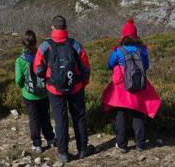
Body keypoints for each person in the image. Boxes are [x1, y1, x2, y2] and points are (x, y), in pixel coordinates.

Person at [33, 16, 94, 162]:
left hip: (54, 90)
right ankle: (82, 149)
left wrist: (48, 78)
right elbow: (85, 66)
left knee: (60, 120)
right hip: (76, 87)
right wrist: (83, 82)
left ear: (53, 28)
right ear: (66, 28)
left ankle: (64, 153)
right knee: (79, 117)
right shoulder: (75, 44)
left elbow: (37, 68)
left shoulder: (45, 46)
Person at [102, 19, 161, 153]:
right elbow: (146, 66)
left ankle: (122, 144)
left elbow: (110, 64)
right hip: (138, 86)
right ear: (136, 35)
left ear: (123, 35)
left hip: (121, 88)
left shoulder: (118, 51)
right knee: (138, 114)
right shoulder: (142, 50)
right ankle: (140, 144)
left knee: (121, 115)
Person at [15, 30, 55, 153]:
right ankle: (50, 139)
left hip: (29, 95)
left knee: (34, 119)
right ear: (35, 41)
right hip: (43, 93)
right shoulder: (41, 55)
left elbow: (18, 80)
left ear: (23, 43)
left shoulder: (20, 60)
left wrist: (24, 87)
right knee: (45, 117)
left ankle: (37, 144)